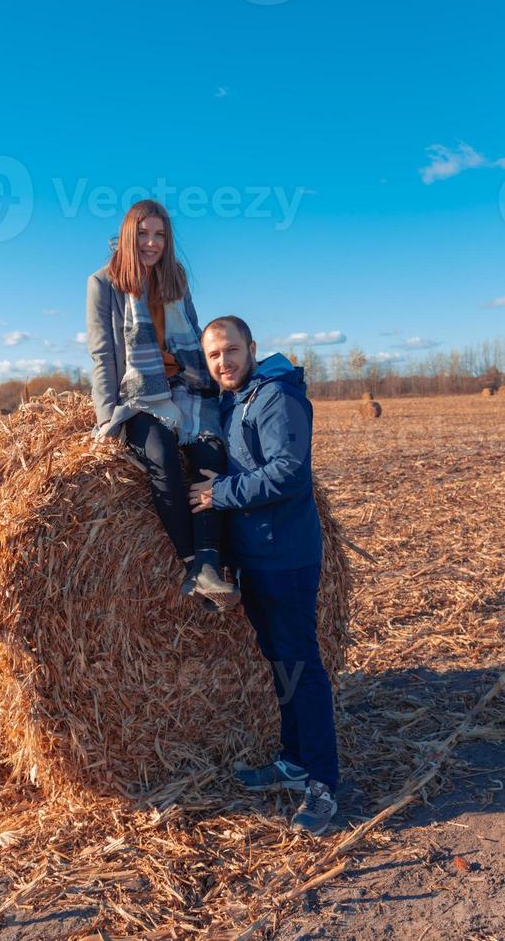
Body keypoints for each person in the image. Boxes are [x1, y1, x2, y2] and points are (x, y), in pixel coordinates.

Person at [189, 315, 340, 837]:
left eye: (231, 350)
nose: (223, 362)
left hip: (288, 557)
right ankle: (294, 758)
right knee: (281, 664)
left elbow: (287, 472)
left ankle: (322, 783)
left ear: (251, 348)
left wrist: (218, 493)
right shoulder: (234, 401)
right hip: (258, 556)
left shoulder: (276, 396)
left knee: (303, 664)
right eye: (214, 355)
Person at [86, 201, 240, 608]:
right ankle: (192, 562)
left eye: (159, 236)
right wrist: (106, 421)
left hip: (185, 386)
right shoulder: (103, 283)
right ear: (128, 235)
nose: (152, 243)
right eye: (143, 235)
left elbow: (193, 331)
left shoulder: (176, 277)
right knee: (163, 458)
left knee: (211, 451)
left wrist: (223, 379)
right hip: (139, 394)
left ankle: (209, 560)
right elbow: (103, 355)